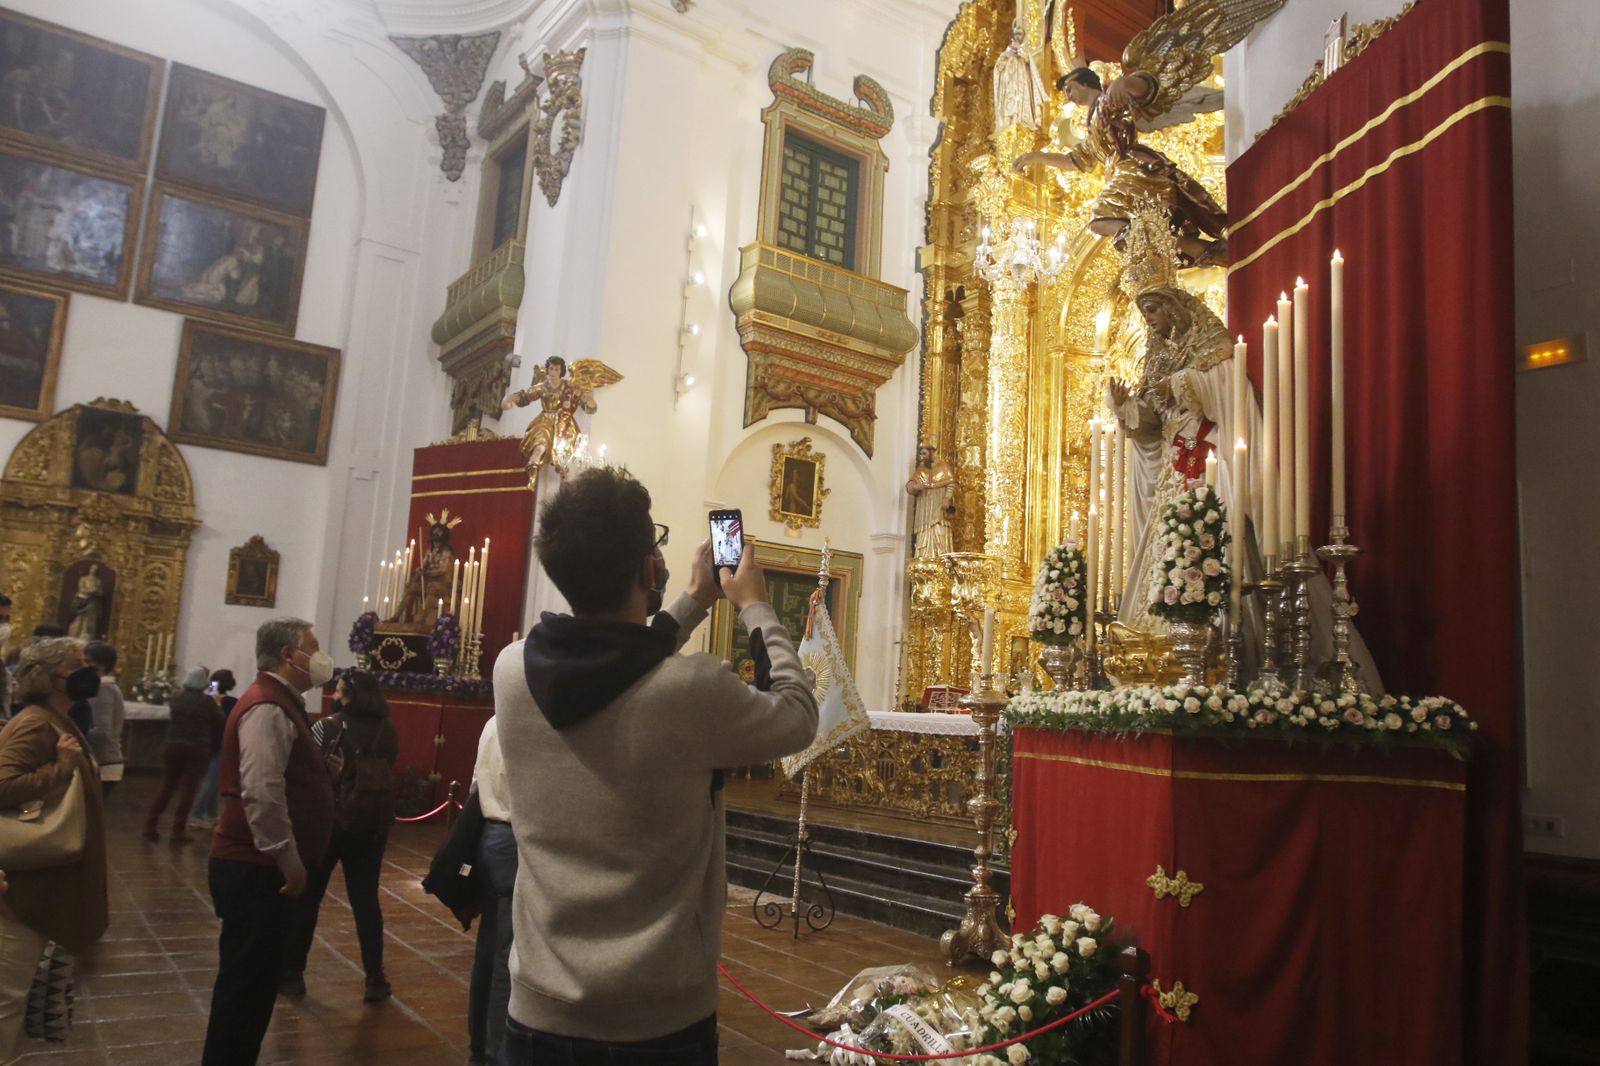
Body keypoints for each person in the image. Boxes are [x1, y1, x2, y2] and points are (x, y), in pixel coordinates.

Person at [494, 467, 818, 1061]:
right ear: (648, 568)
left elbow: (615, 667)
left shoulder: (512, 671)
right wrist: (755, 607)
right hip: (658, 1015)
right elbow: (797, 714)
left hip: (538, 1003)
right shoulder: (691, 690)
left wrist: (694, 600)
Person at [202, 618, 337, 1066]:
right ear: (288, 654)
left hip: (261, 867)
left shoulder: (281, 702)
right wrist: (288, 857)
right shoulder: (268, 706)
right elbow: (261, 789)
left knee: (255, 986)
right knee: (245, 988)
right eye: (313, 648)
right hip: (257, 867)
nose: (321, 657)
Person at [0, 638, 108, 1064]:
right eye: (75, 665)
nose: (87, 671)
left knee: (16, 995)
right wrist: (59, 768)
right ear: (48, 676)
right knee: (6, 997)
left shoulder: (58, 719)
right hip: (23, 889)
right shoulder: (35, 723)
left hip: (46, 880)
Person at [280, 669, 397, 1004]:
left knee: (310, 896)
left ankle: (292, 974)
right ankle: (375, 978)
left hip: (330, 821)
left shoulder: (327, 726)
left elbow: (310, 771)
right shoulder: (387, 730)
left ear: (348, 694)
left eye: (339, 689)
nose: (334, 693)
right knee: (366, 900)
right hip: (371, 824)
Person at [467, 714, 516, 1065]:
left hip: (489, 834)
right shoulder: (526, 721)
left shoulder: (493, 723)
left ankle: (478, 1043)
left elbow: (474, 786)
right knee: (506, 955)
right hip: (512, 838)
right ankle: (496, 1051)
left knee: (488, 948)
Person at [142, 667, 222, 843]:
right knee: (189, 789)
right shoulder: (207, 701)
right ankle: (178, 830)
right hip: (197, 747)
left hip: (173, 744)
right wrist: (217, 703)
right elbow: (219, 721)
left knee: (167, 786)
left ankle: (150, 824)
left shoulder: (176, 698)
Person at [188, 669, 236, 831]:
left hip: (204, 742)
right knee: (211, 782)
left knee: (212, 781)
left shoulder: (205, 700)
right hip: (221, 744)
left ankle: (211, 815)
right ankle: (195, 815)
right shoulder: (231, 702)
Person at [83, 641, 125, 796]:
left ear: (102, 664)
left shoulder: (103, 688)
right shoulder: (100, 686)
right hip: (101, 761)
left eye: (88, 661)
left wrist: (72, 735)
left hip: (103, 762)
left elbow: (102, 730)